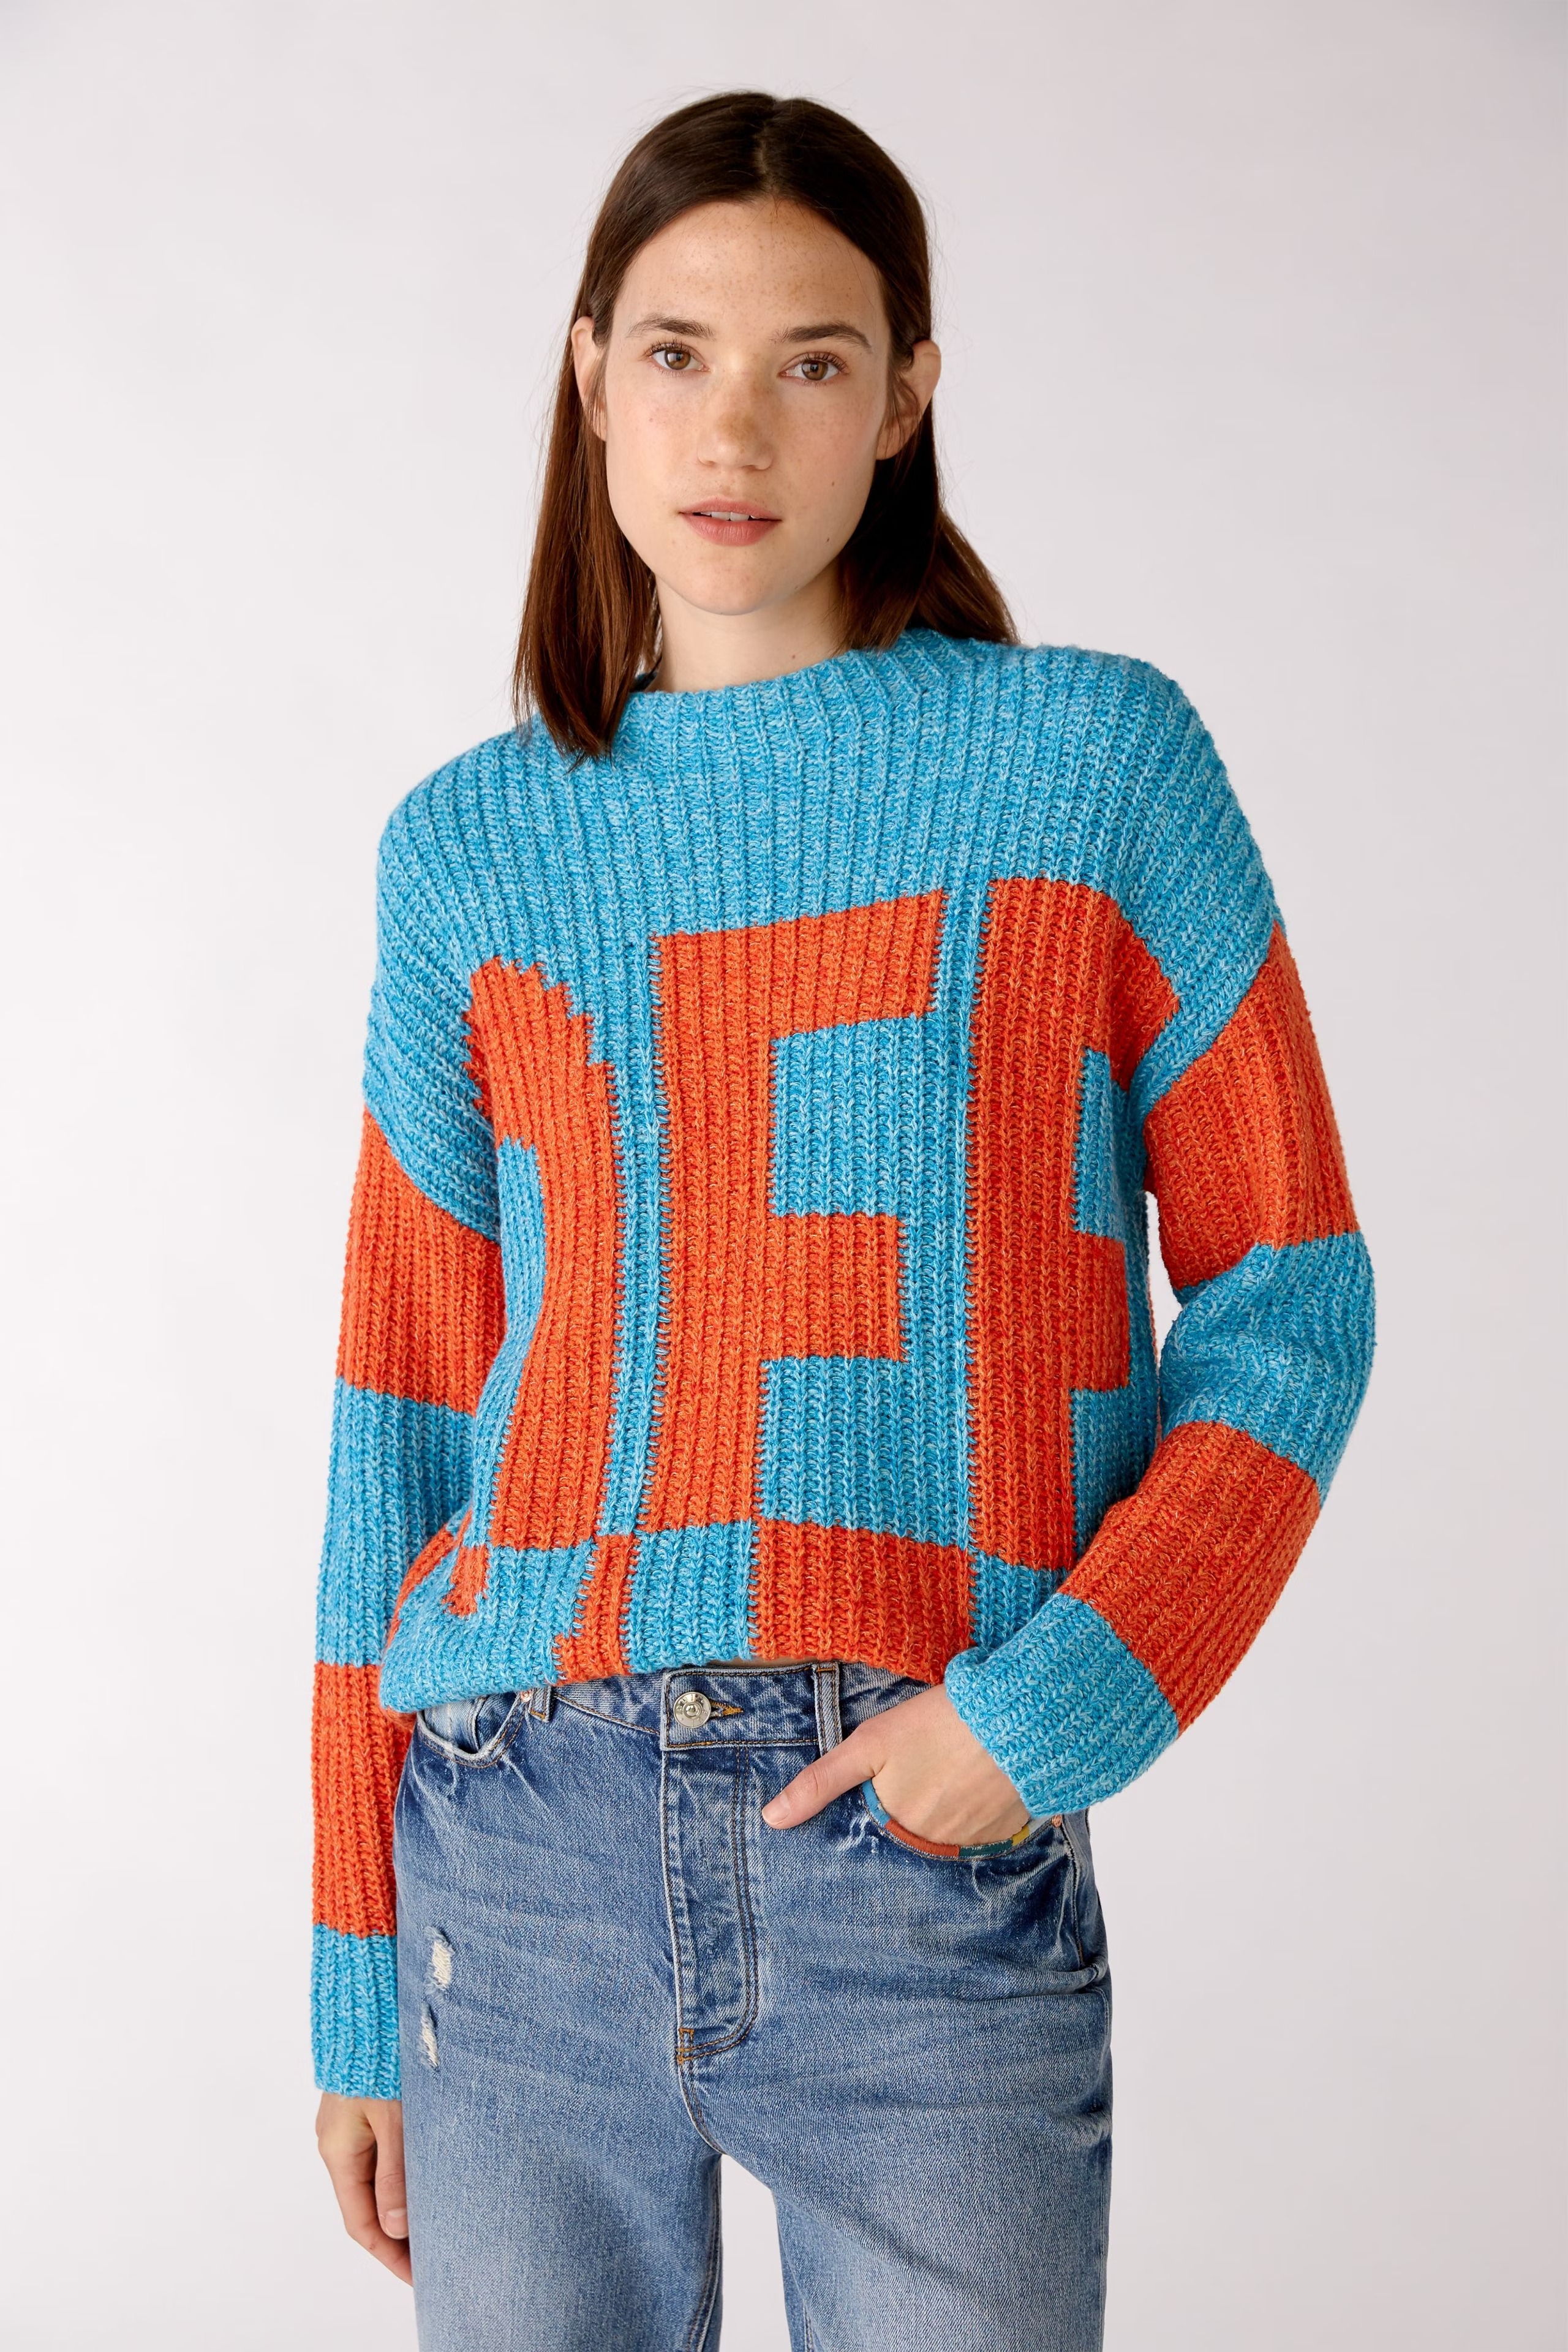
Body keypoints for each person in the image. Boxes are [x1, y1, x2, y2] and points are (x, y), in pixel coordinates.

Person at [310, 89, 1374, 2352]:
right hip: (515, 1852)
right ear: (590, 376)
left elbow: (1294, 1295)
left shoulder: (1092, 769)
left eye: (812, 361)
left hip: (921, 1843)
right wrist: (348, 1971)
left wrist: (1052, 1714)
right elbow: (402, 1417)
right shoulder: (469, 854)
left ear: (905, 397)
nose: (734, 429)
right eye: (676, 353)